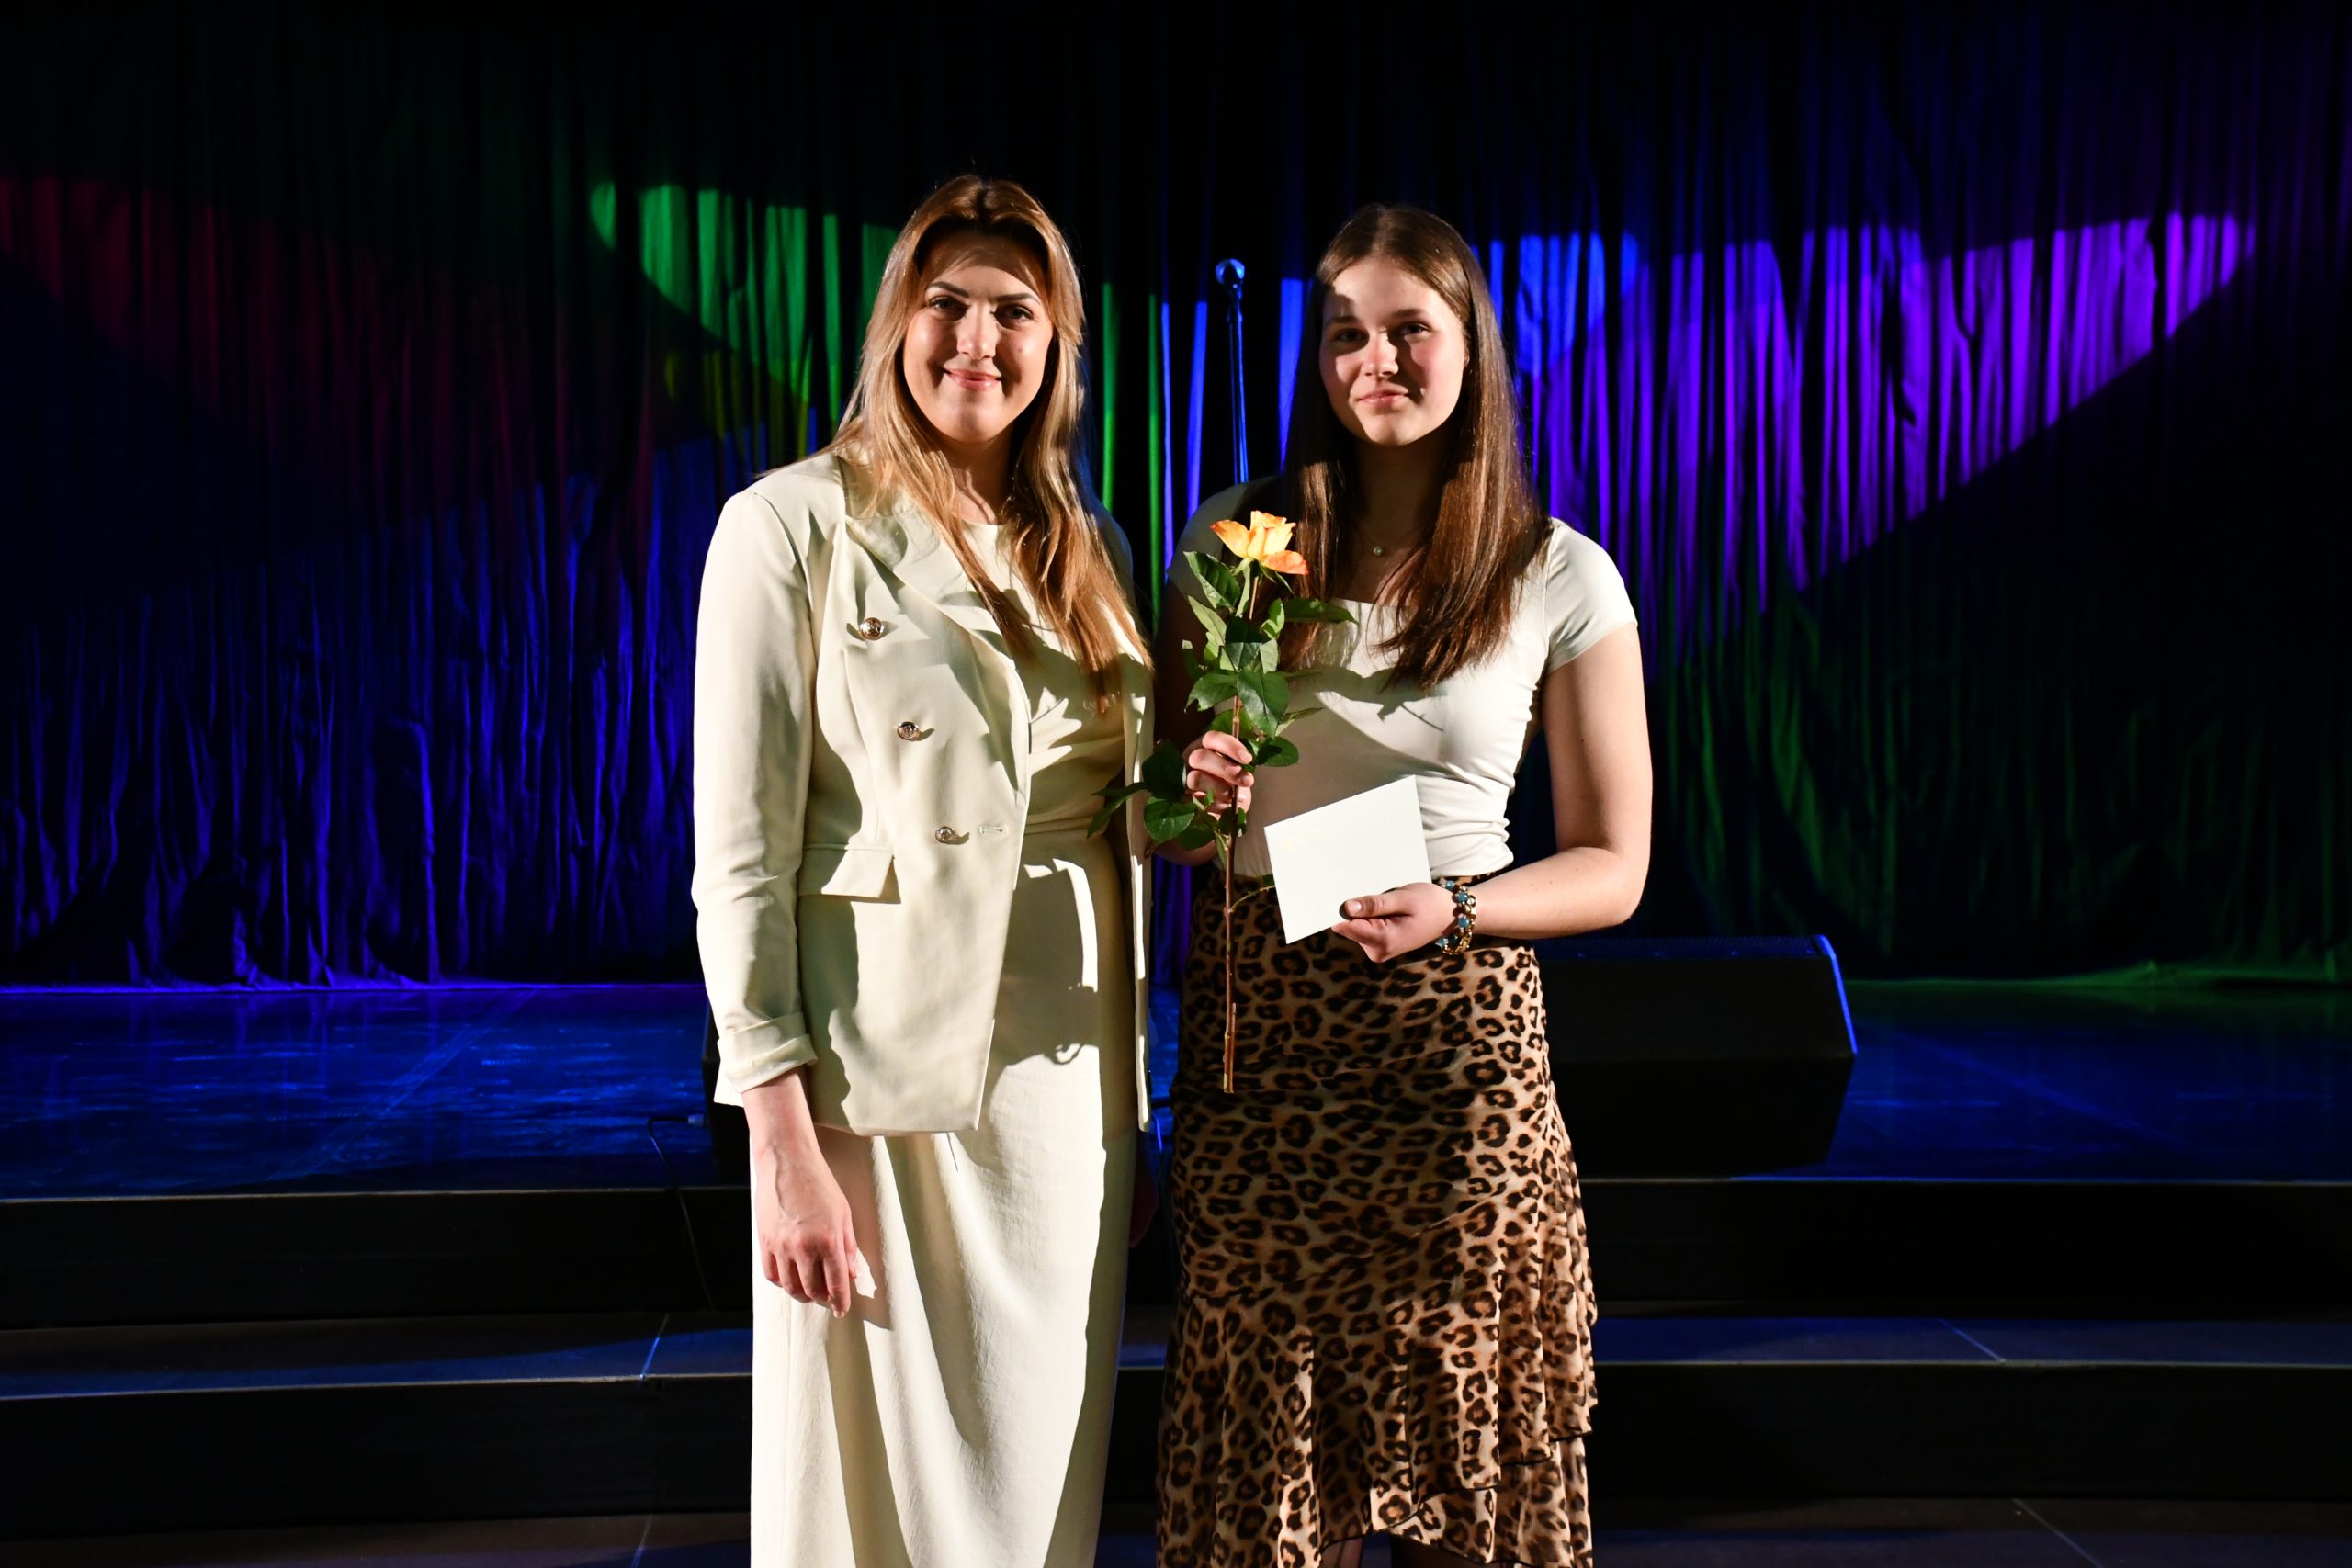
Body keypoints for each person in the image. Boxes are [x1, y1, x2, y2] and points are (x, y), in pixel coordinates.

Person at [1155, 205, 1652, 1567]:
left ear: (1470, 347)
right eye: (1344, 334)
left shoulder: (1557, 571)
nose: (1375, 361)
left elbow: (1615, 867)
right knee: (1269, 1487)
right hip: (1267, 1049)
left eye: (1409, 329)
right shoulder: (1237, 542)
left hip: (1456, 1060)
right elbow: (1163, 824)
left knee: (1464, 1475)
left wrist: (1463, 907)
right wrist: (1195, 796)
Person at [692, 174, 1154, 1568]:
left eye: (1015, 311)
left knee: (1040, 1459)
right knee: (867, 1485)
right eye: (947, 304)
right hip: (874, 1082)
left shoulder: (1090, 545)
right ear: (896, 321)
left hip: (1066, 1081)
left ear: (1058, 343)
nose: (978, 340)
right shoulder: (789, 525)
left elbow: (1116, 818)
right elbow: (739, 861)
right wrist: (781, 1144)